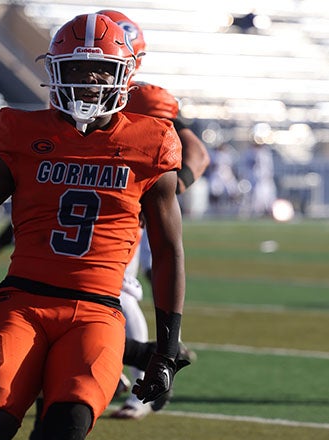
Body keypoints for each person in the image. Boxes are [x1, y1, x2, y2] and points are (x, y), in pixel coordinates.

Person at [0, 13, 186, 439]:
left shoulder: (152, 141)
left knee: (64, 429)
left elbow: (168, 250)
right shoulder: (22, 131)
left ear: (125, 75)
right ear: (54, 73)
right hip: (21, 306)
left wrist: (166, 350)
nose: (88, 82)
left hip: (97, 313)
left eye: (100, 70)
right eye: (75, 69)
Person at [97, 9, 208, 419]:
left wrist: (172, 187)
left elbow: (196, 151)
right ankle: (116, 370)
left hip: (124, 214)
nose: (91, 73)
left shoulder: (147, 98)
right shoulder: (77, 94)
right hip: (86, 210)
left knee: (120, 293)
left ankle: (146, 379)